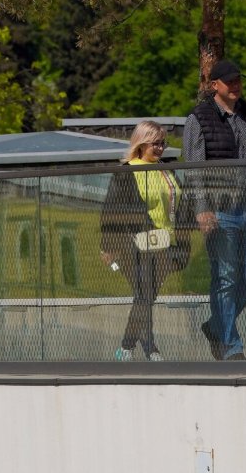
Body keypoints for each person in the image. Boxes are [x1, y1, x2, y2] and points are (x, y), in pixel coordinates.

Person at [182, 59, 246, 360]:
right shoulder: (199, 118)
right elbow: (193, 169)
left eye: (238, 80)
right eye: (229, 81)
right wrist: (201, 209)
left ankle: (217, 324)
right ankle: (231, 347)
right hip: (220, 210)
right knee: (225, 276)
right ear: (214, 86)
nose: (235, 85)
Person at [98, 120, 188, 361]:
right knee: (144, 295)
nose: (159, 148)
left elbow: (180, 205)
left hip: (166, 241)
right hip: (137, 243)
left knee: (146, 297)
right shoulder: (128, 170)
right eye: (154, 144)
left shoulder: (167, 169)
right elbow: (111, 209)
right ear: (141, 143)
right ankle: (140, 349)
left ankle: (136, 347)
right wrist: (108, 247)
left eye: (162, 143)